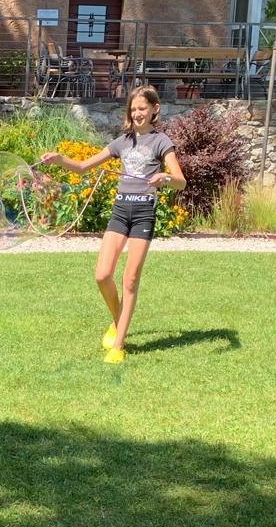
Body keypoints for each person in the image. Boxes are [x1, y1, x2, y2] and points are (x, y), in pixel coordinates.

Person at [40, 85, 185, 364]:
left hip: (143, 214)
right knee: (102, 275)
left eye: (142, 108)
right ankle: (119, 321)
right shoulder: (122, 142)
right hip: (120, 212)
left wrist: (165, 178)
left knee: (129, 280)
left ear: (155, 109)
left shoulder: (161, 142)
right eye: (133, 109)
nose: (137, 113)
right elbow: (83, 166)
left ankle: (118, 345)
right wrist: (59, 159)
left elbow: (181, 181)